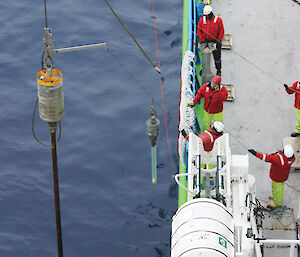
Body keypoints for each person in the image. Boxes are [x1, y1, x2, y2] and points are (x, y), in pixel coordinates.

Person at [248, 144, 295, 209]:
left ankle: (278, 203)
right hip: (283, 176)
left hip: (276, 178)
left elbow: (265, 157)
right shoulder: (292, 159)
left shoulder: (277, 158)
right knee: (278, 188)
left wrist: (255, 153)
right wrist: (279, 153)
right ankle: (275, 197)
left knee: (277, 190)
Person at [197, 5, 224, 76]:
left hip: (215, 42)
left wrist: (218, 41)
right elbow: (199, 31)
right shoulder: (202, 20)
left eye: (207, 14)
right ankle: (204, 68)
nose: (206, 16)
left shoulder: (218, 20)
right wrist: (203, 40)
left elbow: (221, 31)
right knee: (205, 57)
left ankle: (218, 70)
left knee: (217, 57)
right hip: (206, 42)